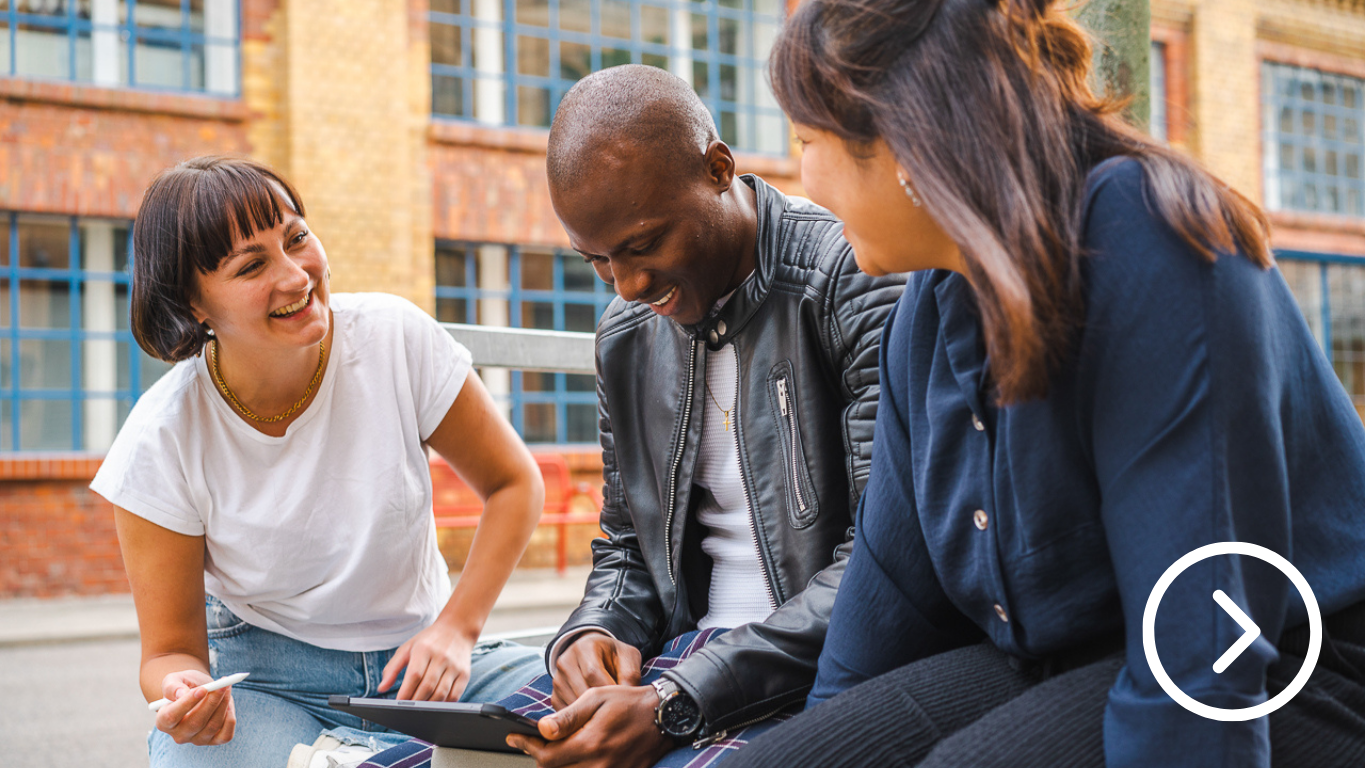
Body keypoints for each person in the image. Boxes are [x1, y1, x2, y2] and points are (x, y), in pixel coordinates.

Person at [722, 0, 1365, 766]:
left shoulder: (1148, 240)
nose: (803, 179)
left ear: (904, 138)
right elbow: (884, 607)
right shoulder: (926, 313)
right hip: (1063, 658)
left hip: (1283, 667)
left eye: (805, 140)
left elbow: (1204, 649)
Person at [502, 65, 905, 768]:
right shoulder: (626, 335)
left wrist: (679, 701)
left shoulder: (851, 275)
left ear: (718, 169)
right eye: (597, 262)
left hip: (808, 673)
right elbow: (626, 543)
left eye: (642, 245)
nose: (627, 286)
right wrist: (590, 637)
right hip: (678, 665)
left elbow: (882, 560)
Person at [93, 156, 549, 768]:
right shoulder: (162, 435)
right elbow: (168, 654)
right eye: (252, 266)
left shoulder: (394, 339)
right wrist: (184, 693)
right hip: (265, 683)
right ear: (194, 305)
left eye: (297, 238)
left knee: (589, 710)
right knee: (190, 761)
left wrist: (456, 630)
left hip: (425, 665)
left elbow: (514, 483)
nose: (296, 275)